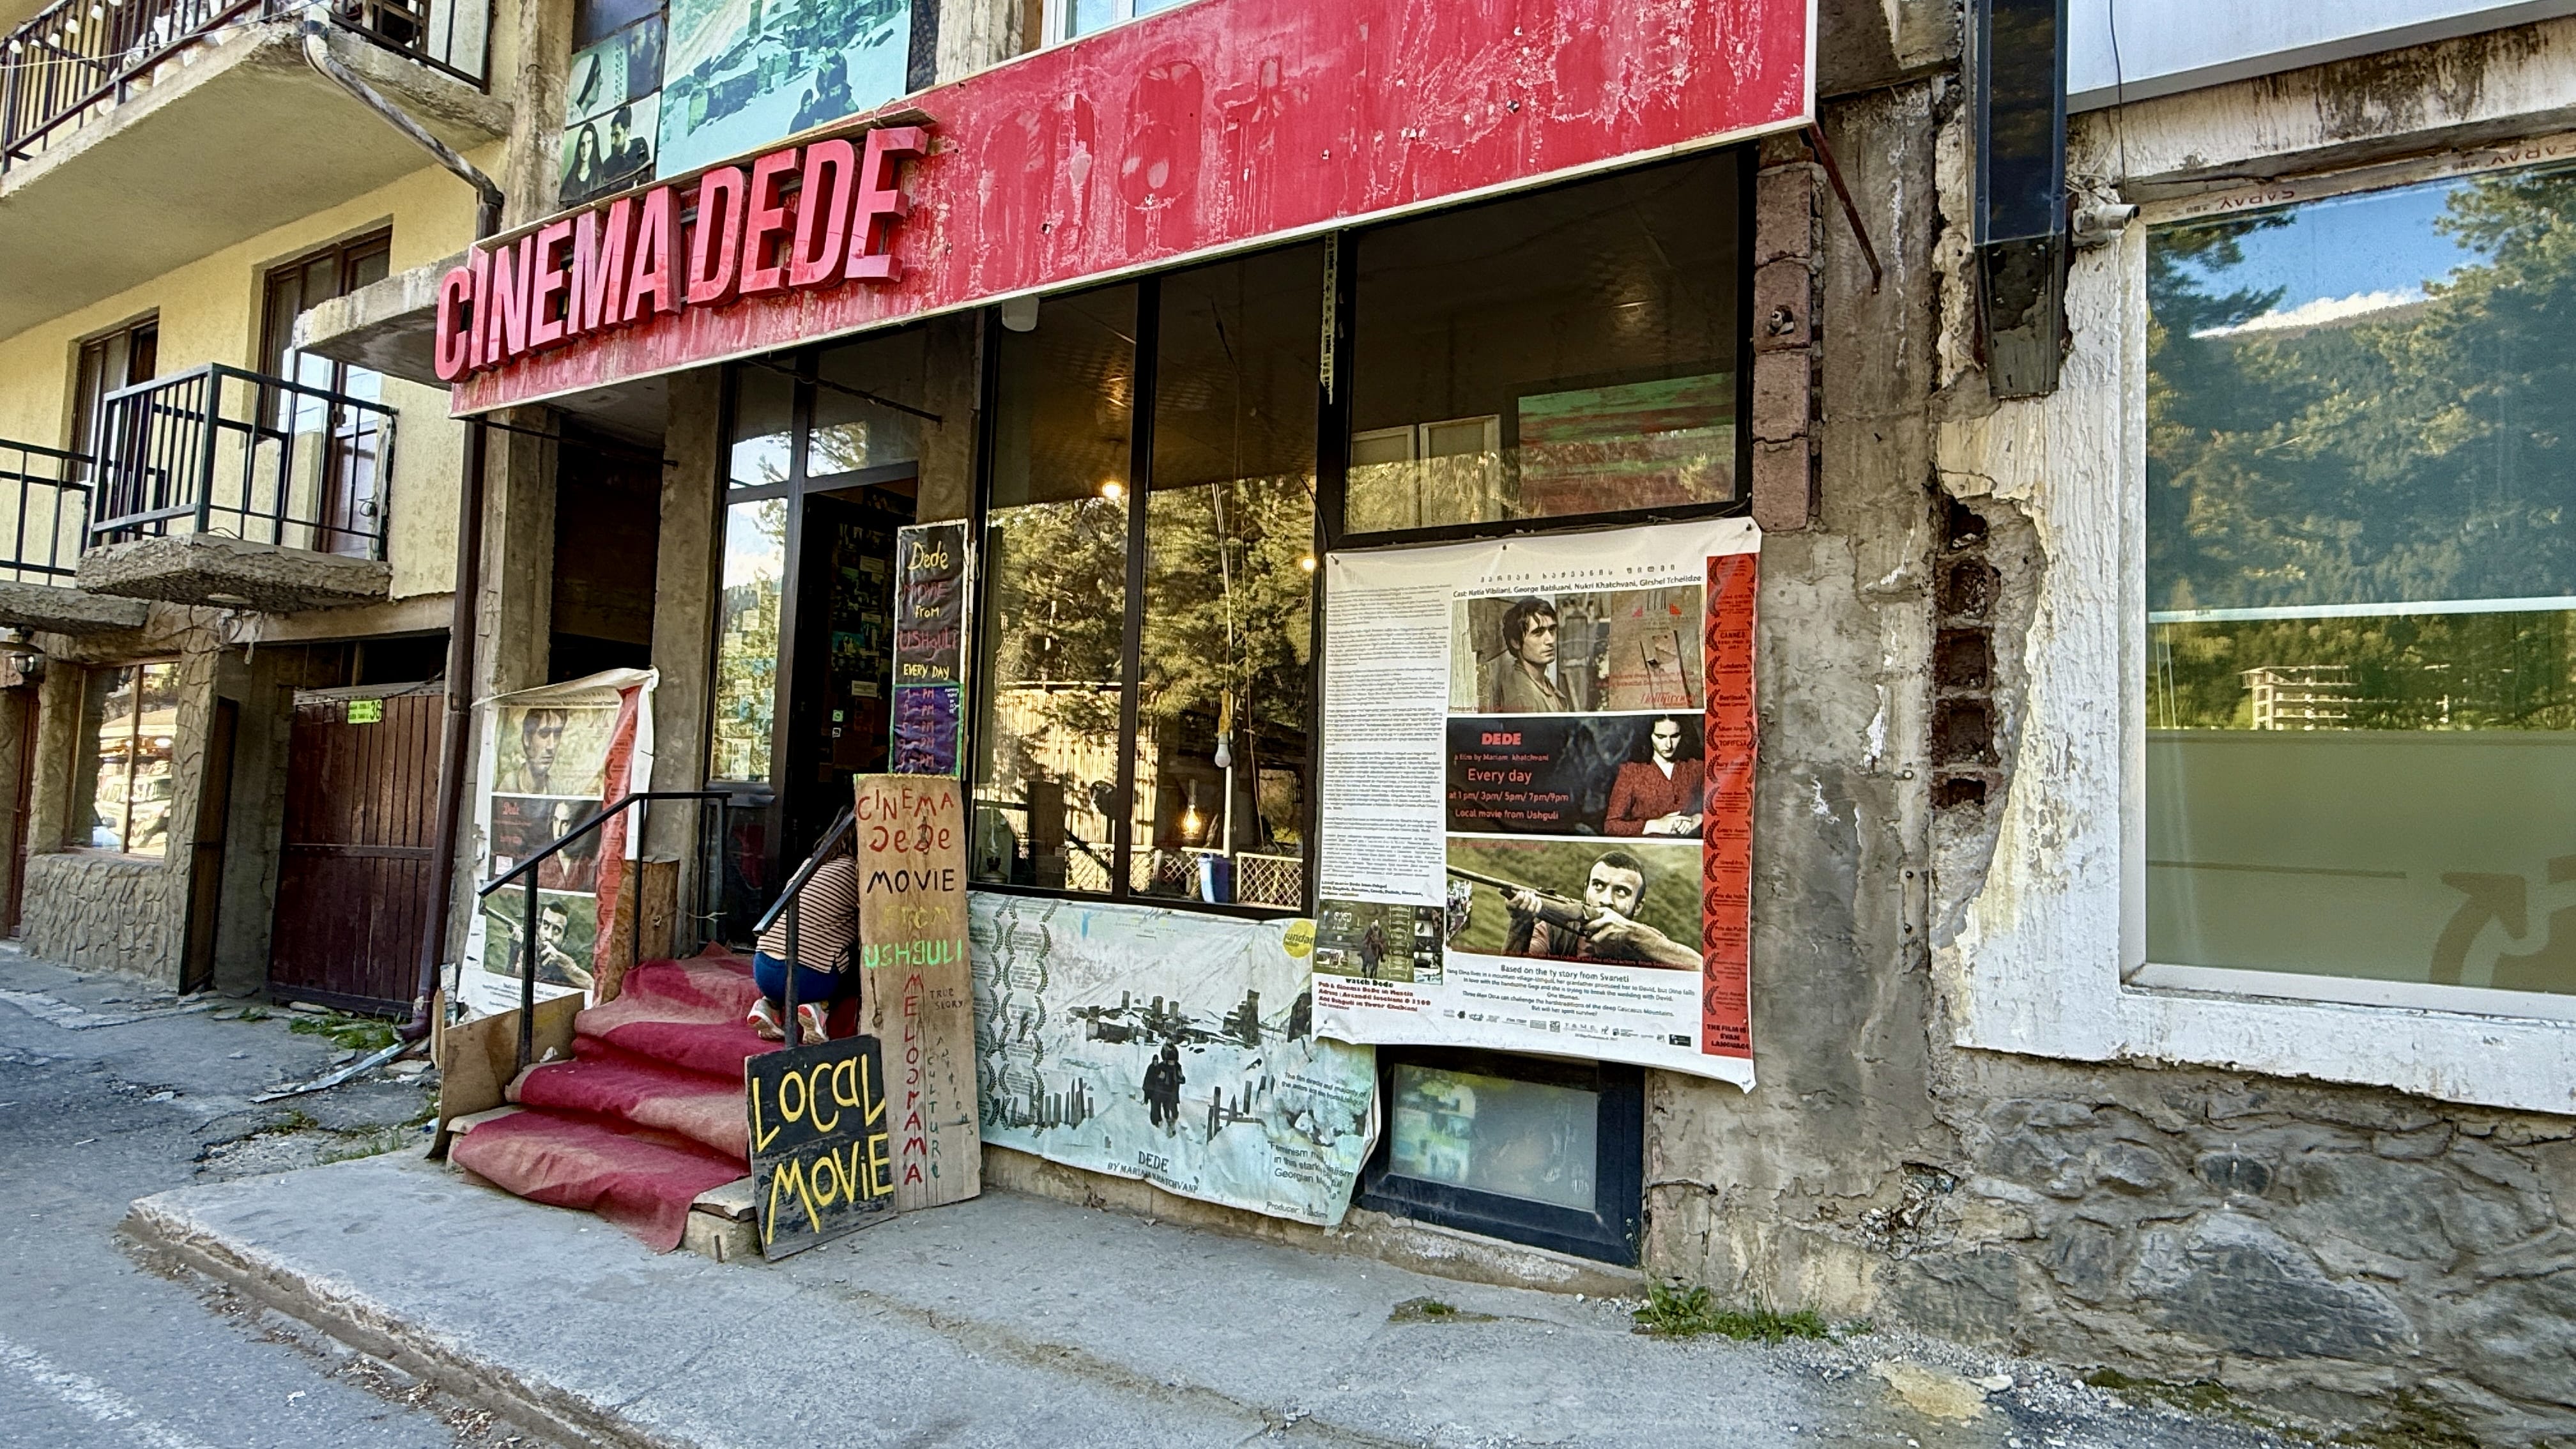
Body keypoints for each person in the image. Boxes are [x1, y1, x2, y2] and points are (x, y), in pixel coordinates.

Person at [1503, 849, 1700, 969]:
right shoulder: (1553, 932)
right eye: (1598, 885)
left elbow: (1700, 968)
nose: (1606, 900)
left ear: (1638, 907)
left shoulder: (1647, 941)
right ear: (1585, 889)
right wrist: (1521, 923)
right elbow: (1511, 981)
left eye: (1621, 891)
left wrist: (1632, 936)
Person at [747, 844, 860, 1043]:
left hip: (763, 968)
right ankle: (820, 1007)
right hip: (807, 980)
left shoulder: (811, 864)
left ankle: (768, 1004)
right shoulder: (858, 871)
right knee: (859, 954)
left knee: (803, 940)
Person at [1478, 597, 1598, 713]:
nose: (1550, 640)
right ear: (1516, 642)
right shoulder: (1523, 698)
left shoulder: (1540, 680)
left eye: (1551, 630)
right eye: (1538, 633)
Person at [1605, 716, 1705, 837]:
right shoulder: (1631, 772)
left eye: (1674, 736)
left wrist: (1697, 819)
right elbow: (1611, 826)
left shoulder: (1697, 767)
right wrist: (1655, 825)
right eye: (1660, 737)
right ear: (1649, 736)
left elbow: (1718, 811)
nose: (1669, 745)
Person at [500, 708, 571, 793]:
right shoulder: (508, 785)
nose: (551, 746)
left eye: (557, 735)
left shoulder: (557, 790)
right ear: (527, 739)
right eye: (544, 733)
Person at [535, 900, 594, 989]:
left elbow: (594, 987)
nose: (549, 936)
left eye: (557, 930)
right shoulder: (525, 954)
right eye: (546, 925)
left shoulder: (567, 967)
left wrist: (570, 968)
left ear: (564, 940)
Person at [1142, 1043, 1184, 1135]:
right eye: (1170, 1061)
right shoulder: (1161, 1067)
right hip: (1161, 1092)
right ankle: (1158, 1126)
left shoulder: (1177, 1067)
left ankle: (1170, 1127)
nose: (1171, 1063)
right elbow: (1153, 1078)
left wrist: (1180, 1077)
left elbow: (1181, 1079)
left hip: (1171, 1093)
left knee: (1172, 1113)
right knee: (1158, 1109)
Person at [562, 123, 605, 203]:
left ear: (594, 145)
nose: (585, 149)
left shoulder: (599, 175)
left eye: (589, 143)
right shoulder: (571, 178)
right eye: (582, 144)